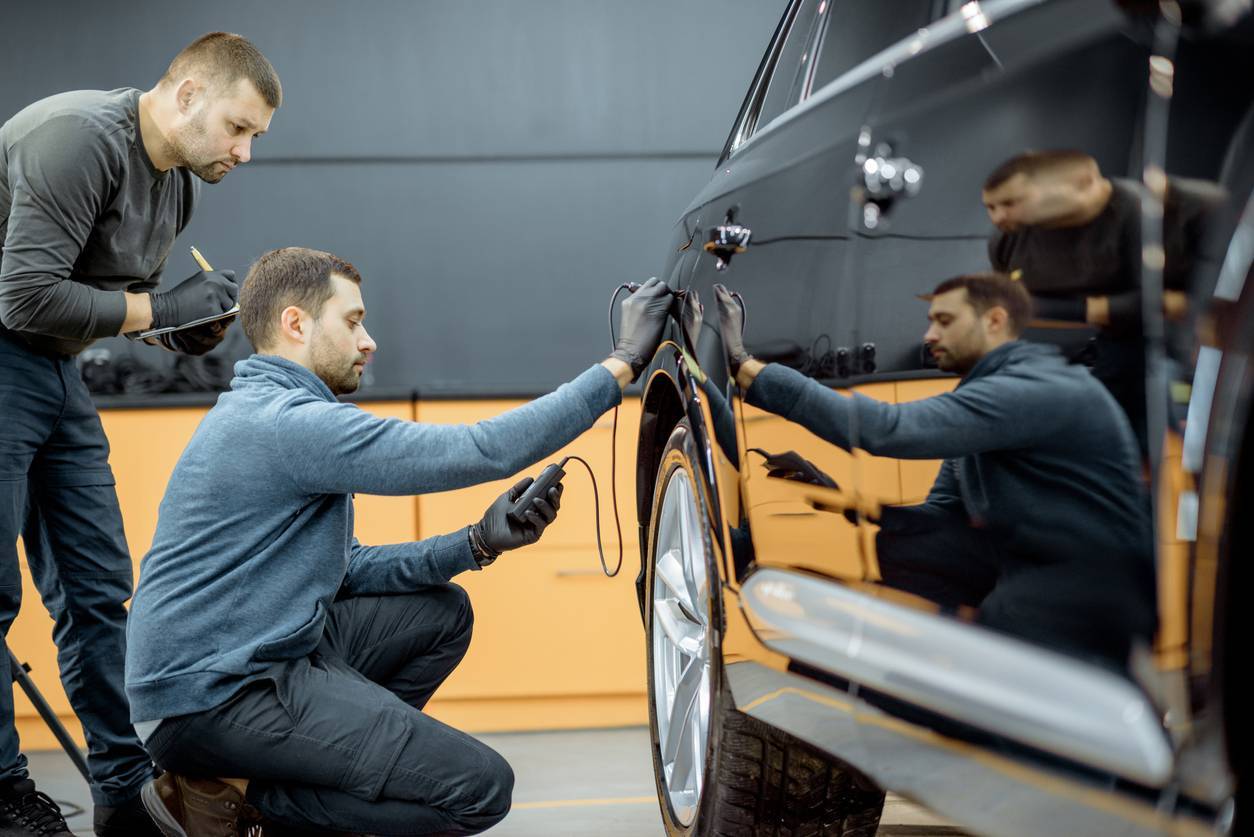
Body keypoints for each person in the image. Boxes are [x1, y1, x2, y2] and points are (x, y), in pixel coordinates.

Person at [124, 249, 673, 836]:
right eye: (354, 320)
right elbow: (479, 450)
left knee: (440, 613)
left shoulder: (264, 412)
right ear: (296, 324)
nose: (369, 341)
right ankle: (234, 794)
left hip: (256, 658)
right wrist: (621, 364)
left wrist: (477, 543)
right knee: (479, 789)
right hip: (210, 697)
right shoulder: (289, 422)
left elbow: (344, 568)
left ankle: (306, 773)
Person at [0, 33, 280, 837]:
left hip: (56, 372)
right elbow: (23, 298)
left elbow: (120, 303)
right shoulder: (79, 140)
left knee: (99, 589)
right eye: (238, 127)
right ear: (187, 93)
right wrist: (158, 312)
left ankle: (125, 791)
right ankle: (2, 789)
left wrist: (180, 330)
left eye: (256, 135)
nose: (245, 151)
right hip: (5, 350)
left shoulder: (176, 188)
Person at [714, 273, 1156, 669]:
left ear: (995, 321)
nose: (928, 335)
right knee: (869, 565)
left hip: (1083, 595)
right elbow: (940, 520)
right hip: (1027, 574)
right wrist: (838, 501)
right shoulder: (985, 391)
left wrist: (748, 368)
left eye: (945, 321)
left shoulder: (1031, 389)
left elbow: (889, 430)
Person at [981, 149, 1221, 453]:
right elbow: (1011, 304)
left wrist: (1105, 308)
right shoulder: (1010, 241)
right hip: (1104, 355)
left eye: (1011, 203)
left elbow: (1179, 303)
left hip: (1184, 354)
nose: (999, 217)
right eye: (991, 207)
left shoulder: (1153, 215)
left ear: (1083, 182)